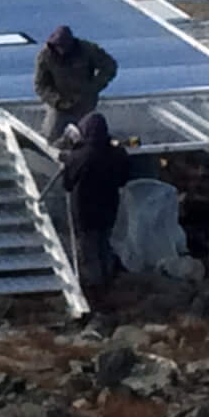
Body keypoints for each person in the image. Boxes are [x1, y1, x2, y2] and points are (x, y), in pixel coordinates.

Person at [56, 113, 133, 288]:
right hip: (109, 207)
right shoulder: (117, 153)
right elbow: (123, 179)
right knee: (104, 244)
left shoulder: (78, 157)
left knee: (88, 249)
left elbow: (67, 185)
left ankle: (96, 287)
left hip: (85, 211)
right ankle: (110, 281)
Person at [34, 23, 117, 142]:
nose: (61, 50)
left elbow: (110, 66)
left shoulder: (88, 50)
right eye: (58, 46)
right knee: (50, 137)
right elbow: (40, 85)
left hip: (84, 102)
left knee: (87, 137)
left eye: (64, 46)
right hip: (59, 105)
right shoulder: (45, 56)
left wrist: (93, 87)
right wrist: (57, 101)